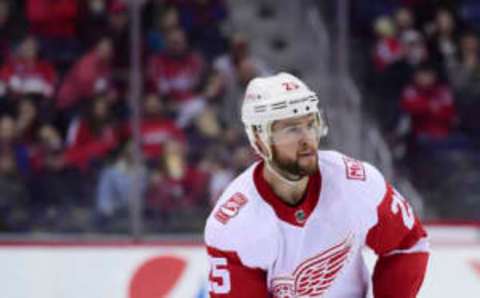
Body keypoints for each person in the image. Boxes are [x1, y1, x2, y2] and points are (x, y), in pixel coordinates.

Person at [204, 72, 429, 297]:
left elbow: (408, 243)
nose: (307, 139)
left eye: (311, 124)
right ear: (259, 138)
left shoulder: (356, 184)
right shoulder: (232, 225)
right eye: (291, 129)